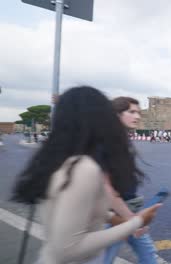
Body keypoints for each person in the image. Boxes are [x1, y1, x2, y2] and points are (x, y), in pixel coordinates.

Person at [11, 86, 160, 263]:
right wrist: (136, 221)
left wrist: (117, 220)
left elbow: (80, 206)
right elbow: (68, 249)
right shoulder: (82, 167)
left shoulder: (55, 161)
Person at [104, 96, 160, 264]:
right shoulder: (109, 143)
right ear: (116, 114)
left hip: (128, 209)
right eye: (132, 112)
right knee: (104, 258)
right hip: (113, 215)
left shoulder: (121, 140)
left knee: (148, 254)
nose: (137, 116)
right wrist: (131, 219)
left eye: (139, 112)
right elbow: (107, 187)